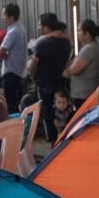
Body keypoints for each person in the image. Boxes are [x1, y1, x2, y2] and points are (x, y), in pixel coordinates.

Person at [28, 14, 71, 144]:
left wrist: (33, 76)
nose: (38, 27)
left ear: (46, 27)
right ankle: (63, 138)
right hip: (60, 82)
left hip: (44, 83)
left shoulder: (42, 44)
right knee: (61, 110)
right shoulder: (66, 42)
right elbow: (67, 62)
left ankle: (52, 140)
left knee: (47, 112)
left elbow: (33, 64)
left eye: (40, 25)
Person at [0, 3, 27, 113]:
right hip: (18, 71)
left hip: (11, 72)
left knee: (11, 105)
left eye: (4, 15)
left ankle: (14, 129)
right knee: (15, 102)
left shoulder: (13, 31)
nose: (2, 17)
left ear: (11, 17)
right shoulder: (20, 28)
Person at [65, 20, 99, 109]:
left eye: (79, 31)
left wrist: (66, 70)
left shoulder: (89, 49)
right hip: (91, 90)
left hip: (83, 94)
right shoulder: (97, 46)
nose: (77, 33)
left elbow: (74, 70)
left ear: (87, 34)